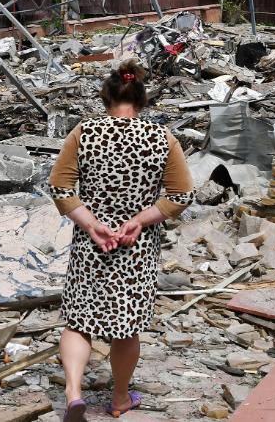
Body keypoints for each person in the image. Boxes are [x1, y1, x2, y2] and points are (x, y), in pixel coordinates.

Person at [48, 59, 195, 420]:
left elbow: (60, 187)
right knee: (126, 327)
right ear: (141, 100)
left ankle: (73, 393)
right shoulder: (162, 138)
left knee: (78, 321)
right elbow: (181, 195)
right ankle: (119, 399)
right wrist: (139, 221)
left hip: (91, 244)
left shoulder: (84, 132)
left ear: (106, 98)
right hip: (136, 247)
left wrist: (92, 224)